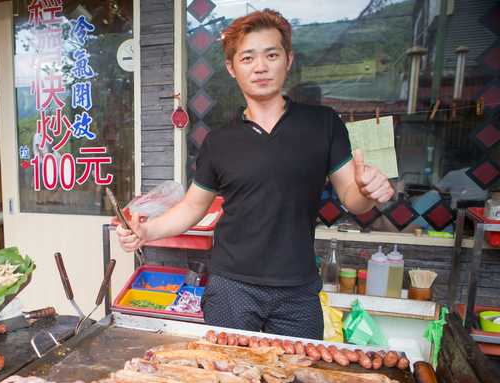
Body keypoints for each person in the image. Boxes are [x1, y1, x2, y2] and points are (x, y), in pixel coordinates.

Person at [117, 10, 393, 340]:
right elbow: (193, 207)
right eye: (248, 58)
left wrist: (367, 191)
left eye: (271, 55)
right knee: (227, 379)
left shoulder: (323, 124)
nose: (260, 67)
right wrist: (146, 232)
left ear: (287, 60)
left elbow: (352, 197)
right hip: (231, 285)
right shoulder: (218, 141)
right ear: (233, 68)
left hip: (298, 288)